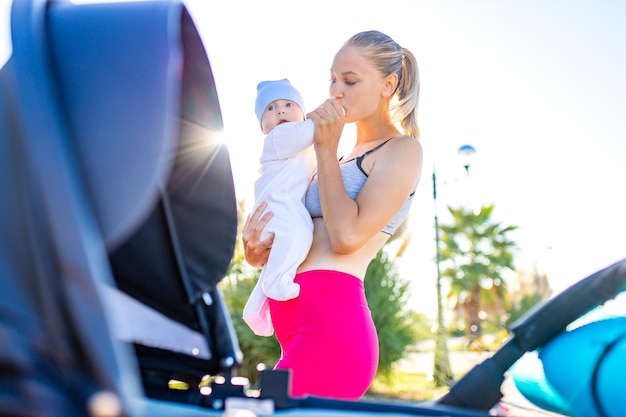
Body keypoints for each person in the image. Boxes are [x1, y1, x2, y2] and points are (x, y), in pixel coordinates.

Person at [242, 30, 423, 400]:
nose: (335, 91)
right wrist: (256, 252)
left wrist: (326, 146)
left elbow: (345, 238)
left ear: (388, 84)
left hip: (332, 331)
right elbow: (302, 232)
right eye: (333, 79)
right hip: (295, 327)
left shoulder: (401, 150)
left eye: (350, 81)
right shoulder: (338, 158)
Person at [243, 79, 316, 337]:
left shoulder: (301, 148)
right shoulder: (280, 138)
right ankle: (277, 285)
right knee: (301, 232)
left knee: (278, 260)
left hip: (276, 213)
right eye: (271, 109)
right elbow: (315, 130)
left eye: (288, 104)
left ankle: (255, 308)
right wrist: (327, 114)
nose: (281, 111)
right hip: (277, 212)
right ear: (264, 127)